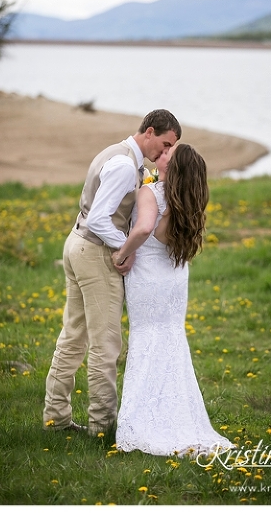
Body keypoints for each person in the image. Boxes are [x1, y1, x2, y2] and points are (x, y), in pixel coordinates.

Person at [43, 110, 181, 434]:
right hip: (94, 253)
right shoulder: (123, 166)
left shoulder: (119, 155)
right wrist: (125, 249)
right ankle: (102, 426)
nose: (165, 153)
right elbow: (99, 219)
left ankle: (55, 419)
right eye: (165, 144)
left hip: (77, 244)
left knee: (73, 337)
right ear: (150, 131)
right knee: (105, 346)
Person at [113, 143, 233, 455]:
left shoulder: (151, 192)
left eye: (169, 153)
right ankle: (174, 413)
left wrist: (122, 253)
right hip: (175, 278)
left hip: (149, 277)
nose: (162, 154)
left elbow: (144, 229)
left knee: (146, 338)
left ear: (173, 167)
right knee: (170, 339)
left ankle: (143, 419)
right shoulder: (188, 198)